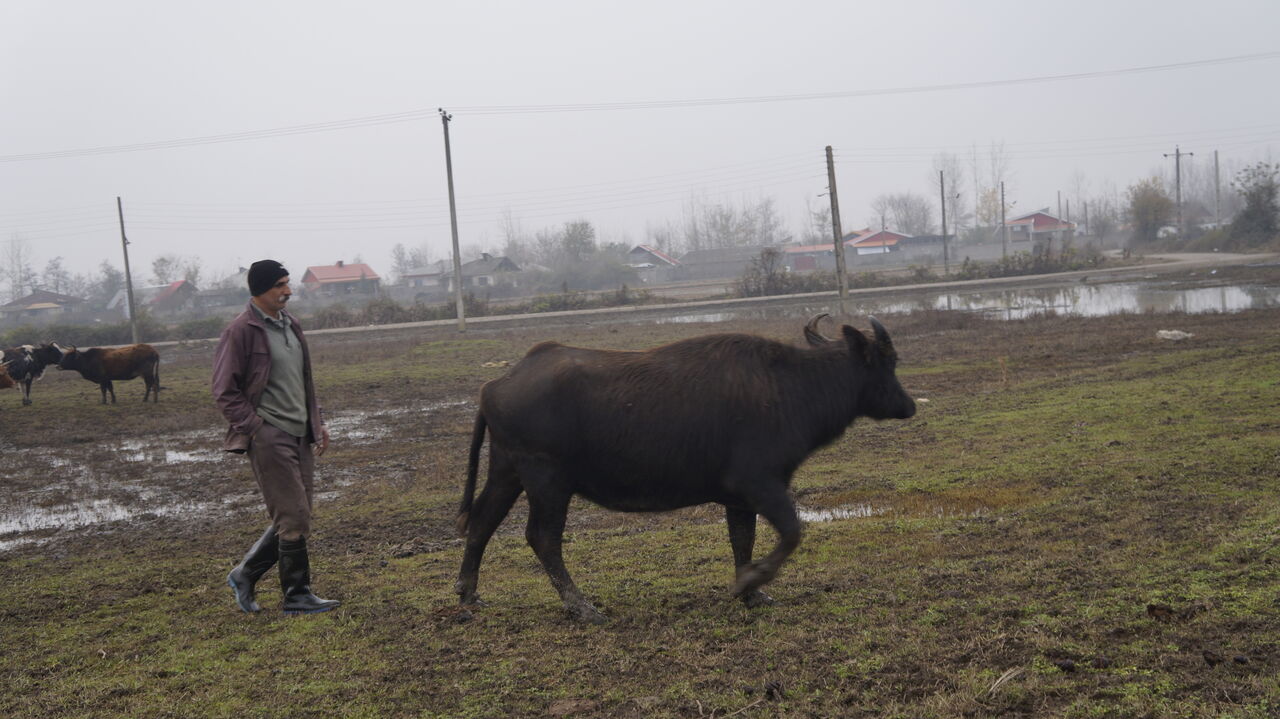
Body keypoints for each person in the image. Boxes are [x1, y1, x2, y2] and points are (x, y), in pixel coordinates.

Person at [213, 260, 340, 615]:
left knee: (297, 515)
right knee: (294, 516)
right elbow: (224, 391)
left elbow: (304, 381)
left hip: (302, 433)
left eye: (288, 284)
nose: (288, 291)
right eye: (280, 285)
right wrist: (256, 428)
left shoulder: (291, 325)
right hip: (270, 435)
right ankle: (296, 595)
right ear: (260, 290)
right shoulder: (241, 331)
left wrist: (319, 422)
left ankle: (245, 574)